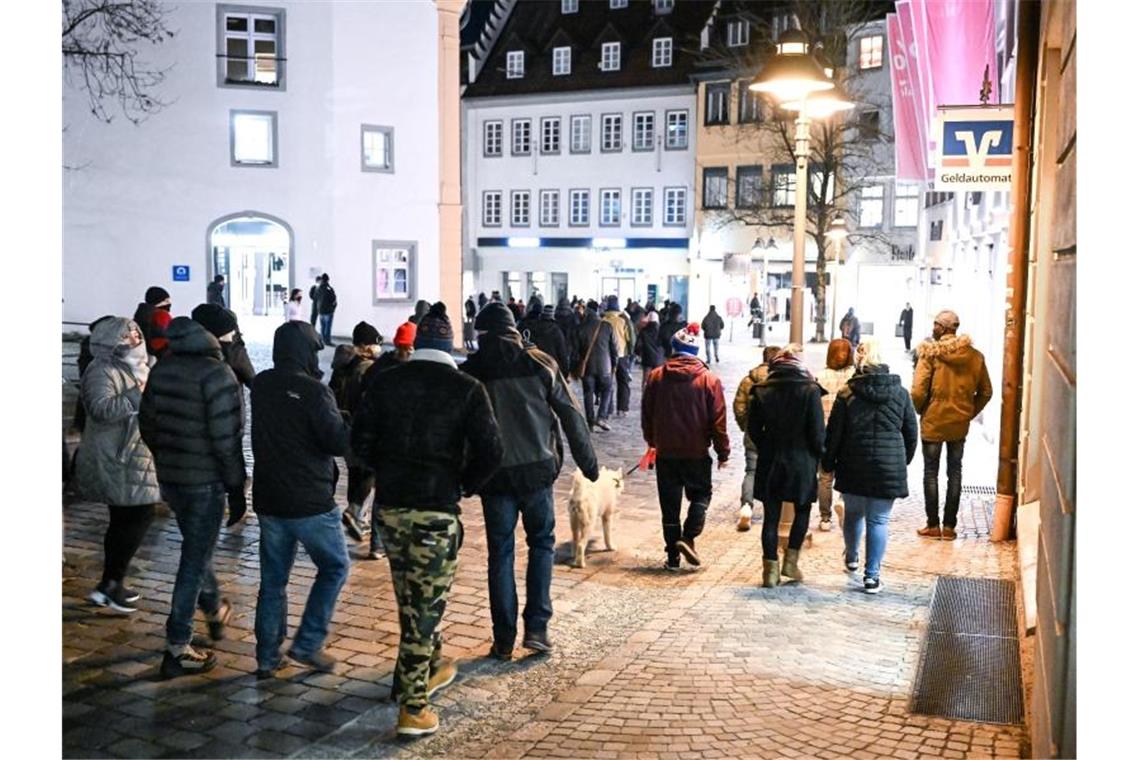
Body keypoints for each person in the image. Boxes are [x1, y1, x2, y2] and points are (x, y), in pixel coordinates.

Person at [351, 303, 503, 737]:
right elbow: (492, 452)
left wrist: (388, 469)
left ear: (417, 345)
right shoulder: (467, 388)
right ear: (448, 344)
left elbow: (358, 444)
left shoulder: (386, 382)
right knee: (423, 609)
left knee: (410, 597)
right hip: (436, 511)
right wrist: (463, 484)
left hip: (392, 511)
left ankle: (422, 668)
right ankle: (413, 707)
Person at [462, 301, 597, 658]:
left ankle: (504, 638)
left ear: (482, 334)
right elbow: (571, 415)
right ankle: (537, 627)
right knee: (541, 546)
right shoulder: (541, 363)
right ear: (514, 330)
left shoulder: (471, 370)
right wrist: (589, 464)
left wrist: (463, 475)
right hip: (537, 472)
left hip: (494, 478)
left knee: (500, 553)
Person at [139, 317, 245, 677]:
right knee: (194, 560)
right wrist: (236, 486)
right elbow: (226, 441)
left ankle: (214, 606)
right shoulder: (217, 375)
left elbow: (147, 424)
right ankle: (178, 645)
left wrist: (167, 458)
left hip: (173, 479)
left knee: (197, 549)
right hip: (206, 483)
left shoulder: (162, 370)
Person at [250, 320, 352, 678]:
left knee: (273, 581)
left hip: (269, 496)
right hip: (309, 500)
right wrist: (344, 420)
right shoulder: (314, 392)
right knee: (336, 566)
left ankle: (266, 655)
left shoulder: (261, 385)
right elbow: (336, 442)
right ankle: (307, 643)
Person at [74, 317, 160, 613]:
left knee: (126, 518)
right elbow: (99, 409)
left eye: (137, 331)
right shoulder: (102, 370)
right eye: (127, 334)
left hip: (135, 453)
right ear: (112, 340)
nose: (135, 337)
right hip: (116, 456)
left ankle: (110, 584)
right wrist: (137, 392)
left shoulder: (144, 364)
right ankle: (110, 584)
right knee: (137, 514)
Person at [823, 338, 917, 594]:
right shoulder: (900, 393)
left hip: (853, 463)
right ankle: (872, 576)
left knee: (853, 514)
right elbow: (911, 432)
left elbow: (834, 434)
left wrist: (828, 463)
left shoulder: (847, 393)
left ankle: (852, 557)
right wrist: (900, 461)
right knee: (879, 520)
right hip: (887, 467)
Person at [642, 326, 730, 570]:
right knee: (701, 495)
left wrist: (652, 441)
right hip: (696, 452)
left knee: (669, 506)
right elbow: (718, 420)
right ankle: (688, 536)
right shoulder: (709, 380)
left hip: (666, 453)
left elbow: (647, 413)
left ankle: (672, 557)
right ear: (696, 351)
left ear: (674, 349)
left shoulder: (657, 376)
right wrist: (723, 452)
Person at [910, 310, 993, 540]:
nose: (933, 328)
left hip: (934, 421)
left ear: (945, 329)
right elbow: (986, 392)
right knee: (955, 472)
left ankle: (933, 525)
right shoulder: (975, 357)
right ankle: (949, 527)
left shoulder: (930, 354)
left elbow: (918, 391)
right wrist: (968, 412)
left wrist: (921, 410)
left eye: (935, 325)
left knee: (930, 473)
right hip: (959, 424)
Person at [748, 345, 825, 588]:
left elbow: (753, 431)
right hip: (801, 461)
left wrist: (767, 446)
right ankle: (791, 562)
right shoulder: (810, 390)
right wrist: (819, 456)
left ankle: (769, 571)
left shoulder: (761, 391)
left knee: (771, 517)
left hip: (771, 460)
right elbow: (817, 434)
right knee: (802, 511)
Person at [358, 320, 417, 560]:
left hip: (387, 440)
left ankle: (380, 543)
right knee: (389, 494)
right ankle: (382, 543)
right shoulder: (401, 370)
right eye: (406, 348)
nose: (407, 352)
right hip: (392, 441)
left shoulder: (379, 367)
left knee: (386, 493)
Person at [329, 321, 383, 543]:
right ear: (367, 346)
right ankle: (354, 512)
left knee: (355, 472)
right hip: (362, 428)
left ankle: (357, 519)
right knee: (370, 472)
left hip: (344, 427)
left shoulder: (342, 365)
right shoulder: (366, 369)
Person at [732, 345, 781, 532]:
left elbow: (739, 407)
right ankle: (773, 510)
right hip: (775, 435)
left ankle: (746, 506)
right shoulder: (780, 380)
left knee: (751, 471)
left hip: (754, 433)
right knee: (776, 471)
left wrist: (746, 426)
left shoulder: (748, 380)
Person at [815, 338, 856, 531]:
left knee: (825, 475)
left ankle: (825, 518)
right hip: (848, 431)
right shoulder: (854, 377)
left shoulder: (820, 376)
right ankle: (842, 500)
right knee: (847, 472)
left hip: (824, 430)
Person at [572, 300, 619, 433]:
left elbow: (575, 351)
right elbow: (614, 349)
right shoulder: (607, 326)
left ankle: (590, 422)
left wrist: (574, 368)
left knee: (588, 393)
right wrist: (614, 364)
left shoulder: (580, 327)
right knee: (607, 390)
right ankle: (601, 417)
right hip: (605, 366)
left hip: (587, 367)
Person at [191, 303, 256, 389]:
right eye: (231, 331)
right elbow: (251, 378)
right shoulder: (233, 349)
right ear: (217, 335)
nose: (234, 333)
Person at [601, 296, 635, 417]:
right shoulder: (624, 320)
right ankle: (622, 408)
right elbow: (630, 338)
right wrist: (630, 352)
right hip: (621, 355)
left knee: (607, 383)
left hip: (607, 356)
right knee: (623, 382)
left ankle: (608, 408)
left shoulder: (603, 319)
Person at [520, 303, 570, 377]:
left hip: (536, 365)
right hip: (551, 365)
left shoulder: (532, 328)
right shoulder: (556, 330)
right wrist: (565, 372)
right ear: (553, 316)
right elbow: (562, 352)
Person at [133, 286, 173, 359]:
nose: (170, 303)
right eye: (166, 301)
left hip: (142, 355)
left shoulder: (140, 314)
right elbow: (167, 336)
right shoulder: (162, 315)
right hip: (160, 355)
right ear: (158, 302)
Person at [634, 310, 665, 387]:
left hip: (647, 360)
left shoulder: (643, 331)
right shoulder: (662, 331)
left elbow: (638, 346)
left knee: (646, 381)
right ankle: (656, 398)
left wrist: (639, 354)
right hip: (659, 360)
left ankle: (645, 397)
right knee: (658, 381)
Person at [316, 274, 338, 345]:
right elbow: (333, 299)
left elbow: (315, 298)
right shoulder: (329, 288)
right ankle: (327, 341)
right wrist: (333, 308)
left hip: (320, 310)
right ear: (328, 280)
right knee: (328, 327)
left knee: (322, 326)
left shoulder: (318, 288)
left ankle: (323, 340)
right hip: (328, 311)